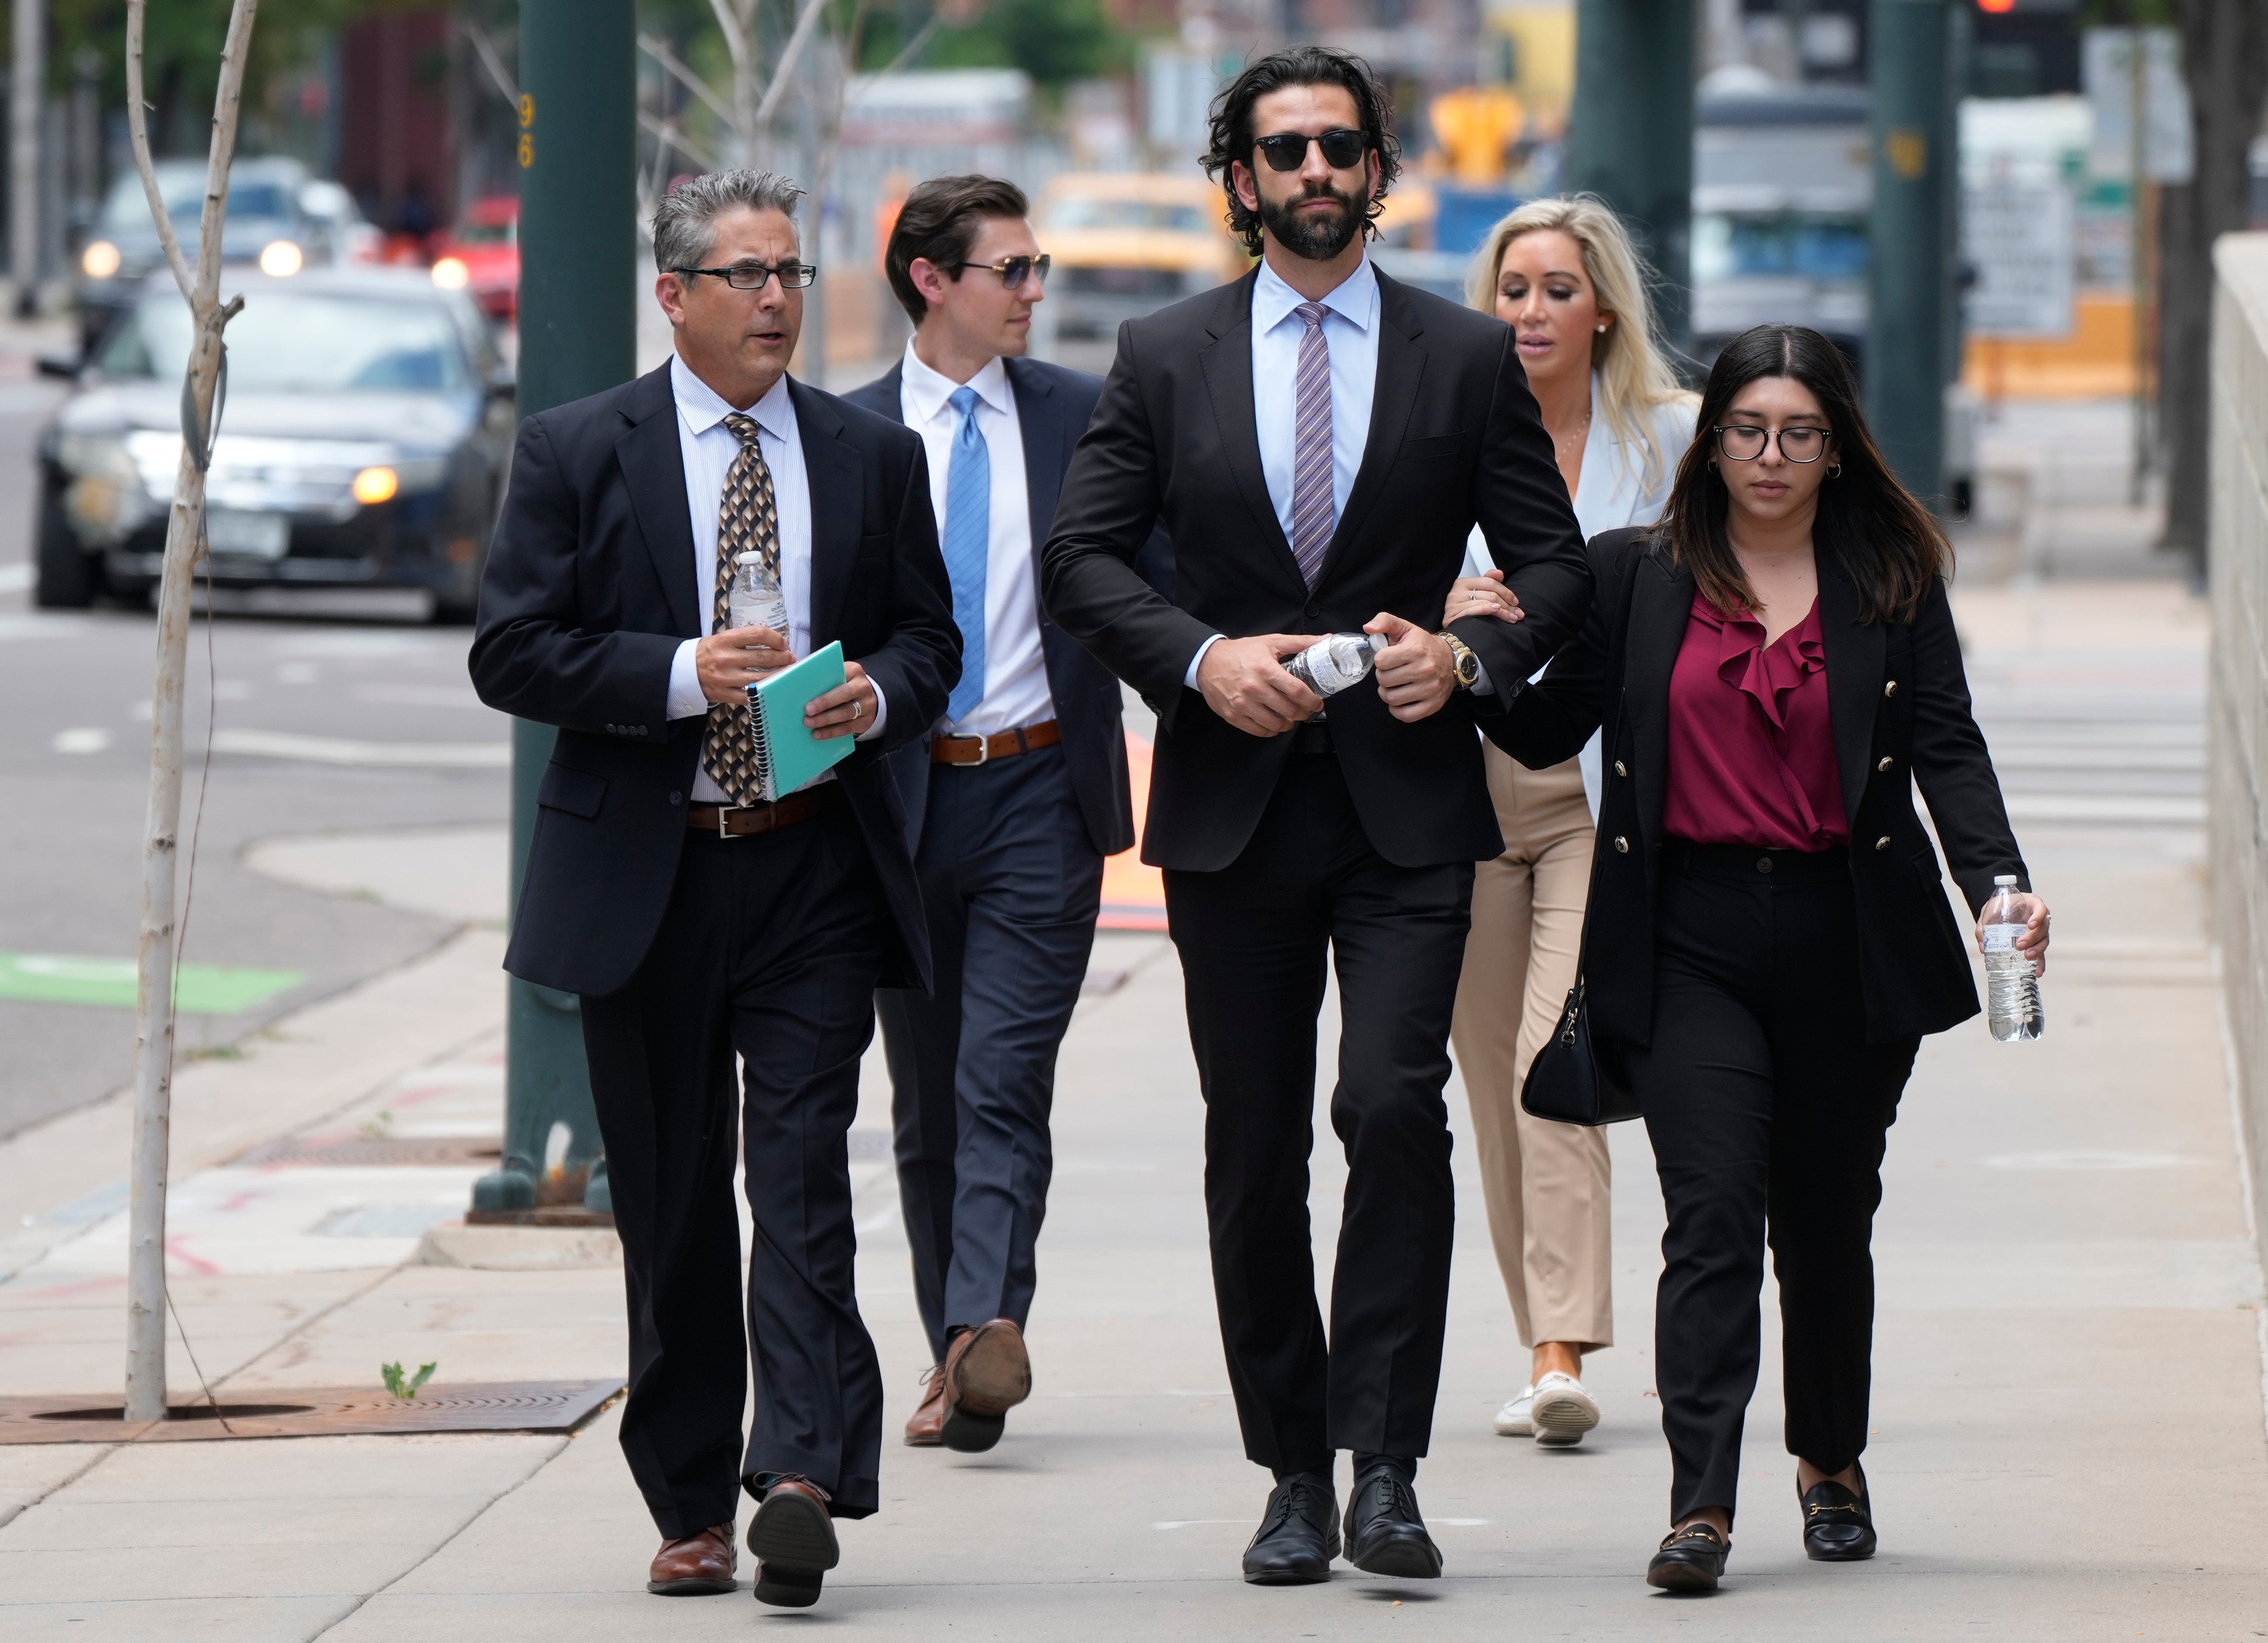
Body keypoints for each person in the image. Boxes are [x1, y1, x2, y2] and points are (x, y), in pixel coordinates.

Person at [1041, 46, 1591, 1587]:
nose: (1314, 172)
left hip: (1409, 806)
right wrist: (1205, 662)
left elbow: (1552, 570)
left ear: (1375, 167)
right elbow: (1083, 565)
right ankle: (1289, 1467)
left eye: (1339, 145)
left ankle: (1389, 1467)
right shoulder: (1161, 355)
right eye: (1283, 150)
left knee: (1390, 1108)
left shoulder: (1463, 356)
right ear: (1241, 178)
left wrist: (1465, 652)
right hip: (1231, 811)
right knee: (1254, 1145)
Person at [1484, 324, 2051, 1594]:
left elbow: (1948, 751)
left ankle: (1830, 1457)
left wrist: (2001, 887)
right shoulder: (1639, 575)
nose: (1772, 456)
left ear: (1839, 447)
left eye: (1801, 433)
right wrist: (1477, 654)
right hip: (1684, 933)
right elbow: (1542, 726)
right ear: (1713, 439)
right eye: (1748, 430)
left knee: (1827, 1215)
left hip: (1847, 934)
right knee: (1714, 1212)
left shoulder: (1892, 576)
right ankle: (1701, 1501)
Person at [468, 169, 959, 1611]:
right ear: (673, 295)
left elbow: (932, 637)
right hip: (655, 871)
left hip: (810, 859)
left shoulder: (869, 454)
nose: (775, 300)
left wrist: (880, 695)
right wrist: (680, 673)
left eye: (791, 274)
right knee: (677, 1199)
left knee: (804, 1174)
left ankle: (797, 1470)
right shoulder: (575, 448)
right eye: (744, 276)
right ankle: (688, 1500)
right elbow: (515, 650)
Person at [844, 175, 1171, 1453]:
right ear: (933, 279)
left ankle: (987, 1320)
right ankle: (958, 1355)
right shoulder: (851, 432)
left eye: (1039, 270)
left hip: (1043, 781)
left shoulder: (1088, 420)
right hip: (899, 800)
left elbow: (1158, 579)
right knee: (924, 1097)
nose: (1037, 291)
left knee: (1001, 1077)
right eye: (1014, 271)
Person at [1435, 196, 1698, 1447]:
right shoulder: (1436, 441)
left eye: (1554, 288)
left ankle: (1559, 1350)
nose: (1529, 311)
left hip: (1606, 795)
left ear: (1603, 307)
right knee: (1491, 1079)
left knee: (1554, 1061)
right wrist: (1437, 602)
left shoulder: (1672, 442)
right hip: (1462, 794)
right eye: (1510, 289)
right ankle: (1539, 1325)